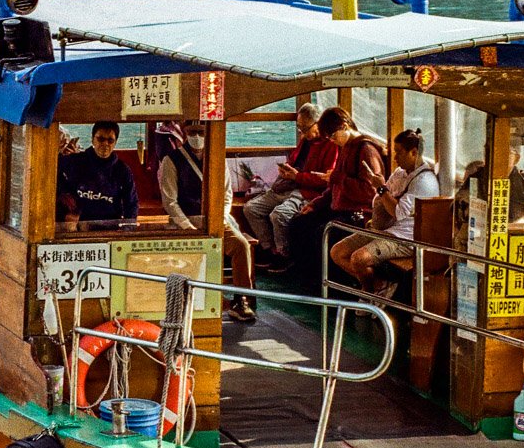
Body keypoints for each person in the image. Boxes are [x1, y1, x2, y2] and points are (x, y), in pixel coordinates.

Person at [158, 121, 256, 322]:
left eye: (201, 132)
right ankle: (182, 301)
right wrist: (188, 226)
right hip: (185, 223)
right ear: (185, 133)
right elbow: (170, 201)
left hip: (216, 221)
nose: (197, 137)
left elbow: (226, 195)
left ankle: (241, 300)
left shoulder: (217, 157)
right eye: (193, 132)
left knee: (241, 245)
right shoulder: (171, 160)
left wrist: (220, 218)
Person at [283, 107, 386, 288]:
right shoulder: (345, 147)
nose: (332, 140)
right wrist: (315, 204)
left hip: (357, 213)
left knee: (322, 233)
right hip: (338, 208)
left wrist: (339, 178)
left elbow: (370, 192)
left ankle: (332, 283)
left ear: (345, 126)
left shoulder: (366, 150)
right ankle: (305, 275)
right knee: (298, 224)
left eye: (332, 135)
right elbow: (333, 187)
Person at [339, 128, 442, 290]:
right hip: (387, 229)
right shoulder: (400, 173)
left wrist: (381, 189)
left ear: (414, 153)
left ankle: (370, 293)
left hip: (406, 238)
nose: (395, 157)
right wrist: (382, 191)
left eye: (399, 152)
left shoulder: (424, 181)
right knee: (338, 252)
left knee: (359, 259)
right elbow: (381, 199)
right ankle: (378, 285)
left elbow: (397, 212)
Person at [243, 103, 337, 274]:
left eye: (305, 128)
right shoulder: (305, 141)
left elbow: (326, 181)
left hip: (307, 192)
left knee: (279, 214)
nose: (302, 133)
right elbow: (294, 161)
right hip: (289, 186)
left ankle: (285, 255)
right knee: (251, 208)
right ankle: (269, 249)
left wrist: (297, 176)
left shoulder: (331, 145)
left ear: (318, 123)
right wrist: (286, 170)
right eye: (300, 128)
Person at [56, 121, 138, 227]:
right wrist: (63, 193)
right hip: (78, 227)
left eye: (110, 140)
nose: (105, 144)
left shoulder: (122, 170)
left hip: (109, 227)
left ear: (115, 142)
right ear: (92, 139)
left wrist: (128, 229)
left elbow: (131, 203)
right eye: (101, 139)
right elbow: (53, 171)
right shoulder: (75, 161)